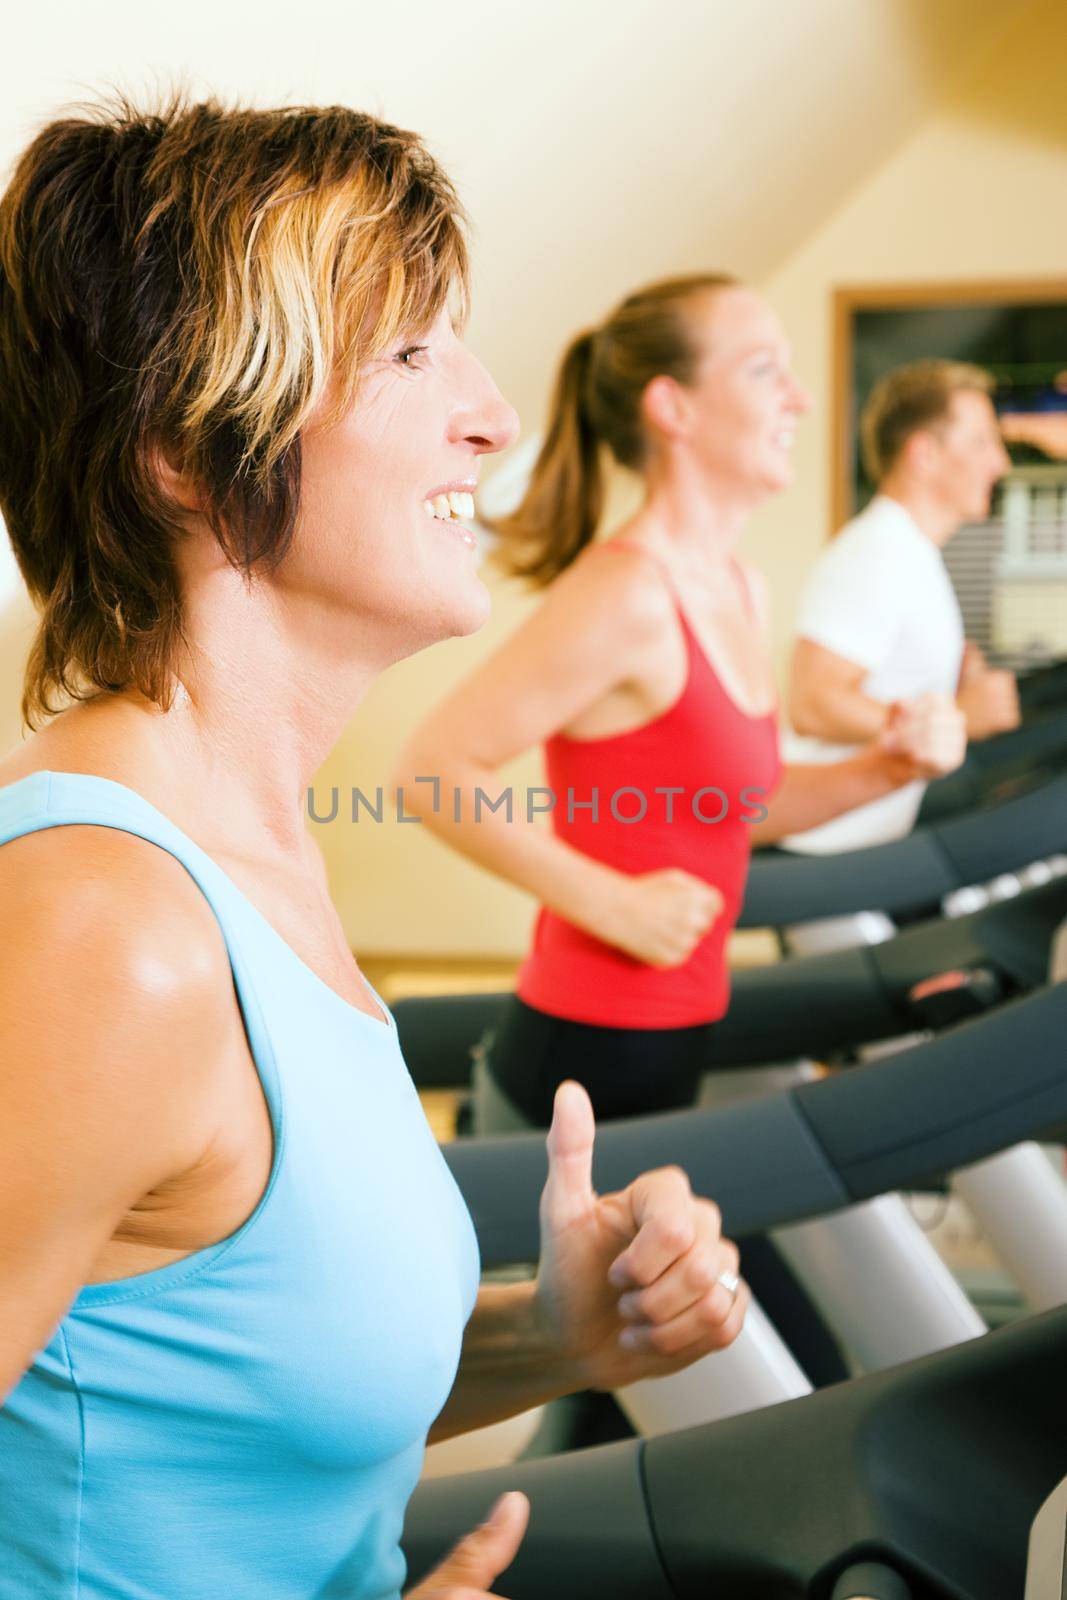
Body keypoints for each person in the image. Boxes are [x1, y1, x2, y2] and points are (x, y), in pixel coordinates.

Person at [0, 96, 748, 1600]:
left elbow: (204, 1380)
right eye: (410, 353)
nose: (492, 411)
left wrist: (560, 1336)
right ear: (184, 453)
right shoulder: (105, 931)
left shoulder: (244, 855)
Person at [395, 276, 966, 1386]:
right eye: (761, 369)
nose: (798, 395)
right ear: (672, 407)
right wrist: (608, 898)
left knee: (642, 1385)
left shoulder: (738, 587)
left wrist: (885, 764)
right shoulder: (627, 595)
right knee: (731, 1360)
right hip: (583, 1054)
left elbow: (734, 812)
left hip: (675, 1036)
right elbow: (434, 768)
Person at [784, 358, 1019, 854]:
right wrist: (958, 717)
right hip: (826, 846)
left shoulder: (911, 552)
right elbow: (813, 703)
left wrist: (953, 682)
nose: (1000, 462)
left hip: (869, 835)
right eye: (980, 442)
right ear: (924, 454)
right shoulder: (878, 551)